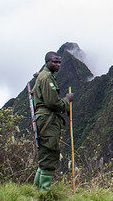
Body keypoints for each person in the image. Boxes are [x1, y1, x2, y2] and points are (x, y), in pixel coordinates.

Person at [32, 51, 74, 190]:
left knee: (45, 155)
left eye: (59, 62)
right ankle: (44, 192)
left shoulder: (44, 76)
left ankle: (37, 191)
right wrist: (67, 100)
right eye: (54, 62)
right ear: (47, 62)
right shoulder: (46, 78)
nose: (58, 65)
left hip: (44, 120)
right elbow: (53, 103)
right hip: (48, 121)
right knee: (50, 153)